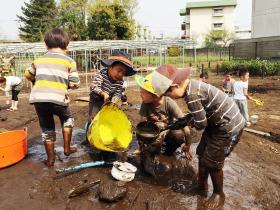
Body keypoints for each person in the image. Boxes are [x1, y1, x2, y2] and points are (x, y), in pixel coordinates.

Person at [150, 64, 245, 209]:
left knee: (213, 162)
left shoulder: (192, 95)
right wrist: (186, 120)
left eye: (168, 94)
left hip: (226, 127)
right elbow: (202, 114)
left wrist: (190, 122)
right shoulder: (193, 86)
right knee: (202, 153)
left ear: (175, 85)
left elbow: (201, 124)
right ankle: (202, 185)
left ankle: (219, 193)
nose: (170, 97)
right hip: (216, 123)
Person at [25, 28, 80, 167]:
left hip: (39, 100)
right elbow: (75, 83)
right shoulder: (69, 61)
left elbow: (28, 75)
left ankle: (50, 159)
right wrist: (67, 85)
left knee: (47, 127)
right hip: (58, 99)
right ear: (66, 46)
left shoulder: (38, 60)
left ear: (46, 45)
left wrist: (35, 80)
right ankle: (67, 149)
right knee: (67, 119)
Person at [135, 73, 192, 158]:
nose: (140, 94)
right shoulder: (145, 104)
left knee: (178, 135)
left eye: (143, 92)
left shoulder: (169, 103)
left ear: (156, 95)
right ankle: (154, 150)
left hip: (168, 131)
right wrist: (140, 148)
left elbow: (184, 125)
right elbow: (142, 127)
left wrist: (187, 145)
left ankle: (168, 152)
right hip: (153, 134)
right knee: (153, 144)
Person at [88, 50, 136, 125]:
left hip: (108, 99)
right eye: (119, 70)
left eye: (123, 73)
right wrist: (103, 93)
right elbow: (94, 87)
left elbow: (117, 94)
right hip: (96, 98)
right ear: (110, 67)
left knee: (108, 116)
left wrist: (113, 103)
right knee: (94, 118)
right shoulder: (101, 74)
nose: (120, 74)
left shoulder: (120, 81)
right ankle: (89, 130)